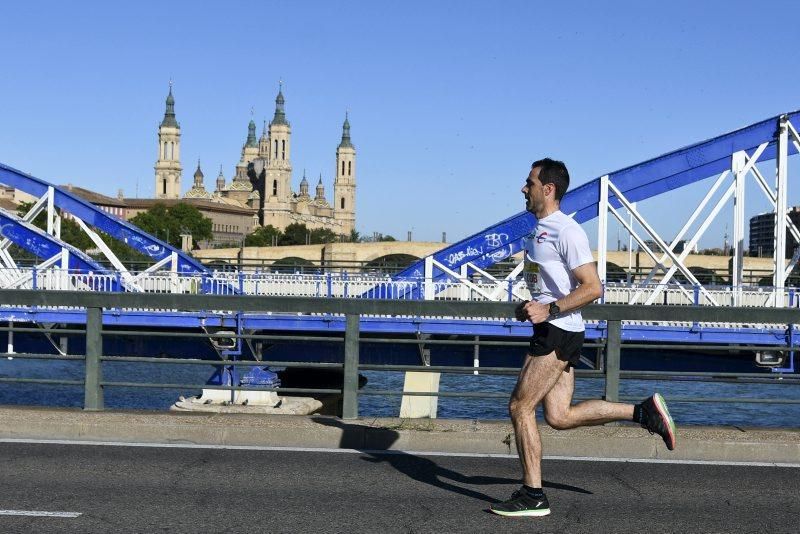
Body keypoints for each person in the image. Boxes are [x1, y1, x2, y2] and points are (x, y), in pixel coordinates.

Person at [489, 158, 676, 518]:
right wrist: (533, 305)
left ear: (549, 189)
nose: (522, 188)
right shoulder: (537, 232)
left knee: (520, 407)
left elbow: (593, 288)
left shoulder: (566, 231)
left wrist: (550, 311)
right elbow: (552, 286)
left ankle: (533, 495)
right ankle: (644, 413)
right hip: (556, 327)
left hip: (558, 330)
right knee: (558, 416)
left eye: (529, 183)